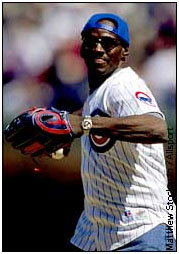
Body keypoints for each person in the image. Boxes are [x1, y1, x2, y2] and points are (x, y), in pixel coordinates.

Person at [63, 13, 176, 251]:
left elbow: (157, 128)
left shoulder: (122, 85)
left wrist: (84, 125)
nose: (98, 48)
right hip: (100, 229)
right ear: (82, 47)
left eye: (108, 42)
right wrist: (61, 127)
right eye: (91, 41)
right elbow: (88, 114)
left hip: (142, 229)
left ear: (124, 52)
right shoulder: (99, 93)